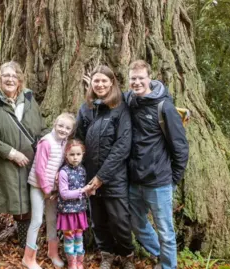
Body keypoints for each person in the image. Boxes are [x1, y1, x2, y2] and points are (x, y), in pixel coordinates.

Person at [0, 61, 48, 249]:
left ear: (20, 80)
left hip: (27, 162)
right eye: (6, 76)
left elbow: (39, 127)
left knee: (23, 199)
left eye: (14, 76)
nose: (10, 79)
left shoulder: (28, 98)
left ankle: (24, 240)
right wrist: (11, 153)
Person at [125, 60, 189, 269]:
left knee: (165, 229)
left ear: (149, 78)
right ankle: (161, 256)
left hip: (159, 181)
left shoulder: (164, 107)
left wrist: (173, 180)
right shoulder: (130, 102)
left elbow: (180, 147)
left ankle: (168, 266)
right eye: (133, 78)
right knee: (137, 224)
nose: (137, 82)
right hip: (135, 180)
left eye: (141, 78)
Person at [76, 65, 135, 269]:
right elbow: (78, 139)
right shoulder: (86, 108)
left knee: (120, 221)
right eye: (96, 81)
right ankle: (107, 254)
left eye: (104, 81)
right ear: (91, 83)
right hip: (90, 176)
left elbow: (122, 146)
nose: (100, 84)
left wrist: (101, 177)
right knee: (98, 221)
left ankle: (127, 255)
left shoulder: (120, 108)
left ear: (112, 83)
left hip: (114, 177)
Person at [21, 112, 76, 269]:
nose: (63, 130)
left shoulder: (64, 143)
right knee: (37, 220)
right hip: (39, 187)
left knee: (52, 220)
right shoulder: (46, 142)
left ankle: (53, 252)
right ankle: (28, 258)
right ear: (54, 124)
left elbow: (60, 164)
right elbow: (40, 169)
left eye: (67, 128)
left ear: (71, 131)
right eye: (60, 126)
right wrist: (46, 190)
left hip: (52, 190)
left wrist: (56, 185)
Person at [56, 139, 92, 269]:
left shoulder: (82, 170)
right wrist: (83, 191)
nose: (75, 157)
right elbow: (64, 194)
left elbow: (84, 192)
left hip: (80, 210)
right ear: (66, 155)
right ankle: (72, 263)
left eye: (78, 154)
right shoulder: (63, 172)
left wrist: (89, 191)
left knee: (79, 236)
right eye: (72, 154)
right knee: (69, 237)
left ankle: (79, 262)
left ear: (82, 154)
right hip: (67, 212)